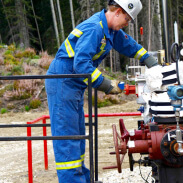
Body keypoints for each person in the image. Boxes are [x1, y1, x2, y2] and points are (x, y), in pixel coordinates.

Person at [45, 0, 158, 182]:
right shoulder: (94, 28)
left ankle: (82, 178)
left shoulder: (110, 30)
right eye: (127, 19)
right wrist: (106, 85)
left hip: (72, 83)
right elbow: (81, 64)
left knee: (78, 134)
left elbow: (128, 45)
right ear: (118, 11)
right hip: (62, 80)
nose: (127, 24)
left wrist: (149, 60)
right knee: (68, 138)